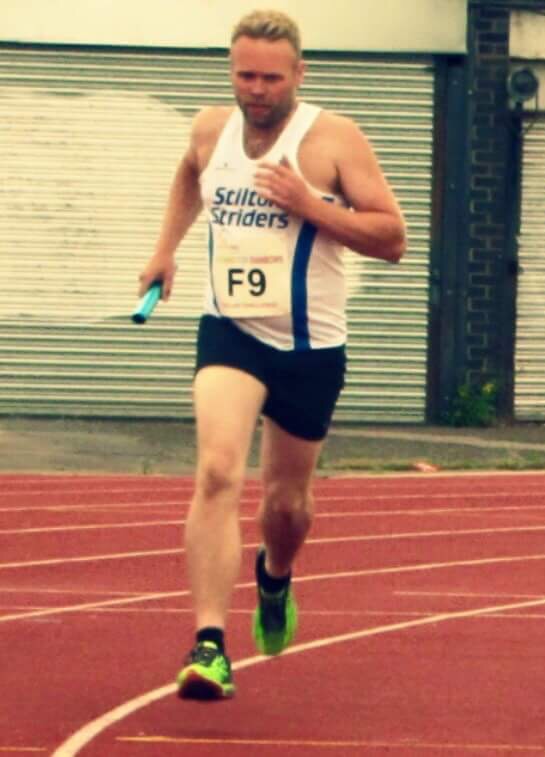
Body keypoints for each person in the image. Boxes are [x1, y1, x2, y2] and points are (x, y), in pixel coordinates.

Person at [137, 9, 406, 700]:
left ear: (299, 75)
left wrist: (309, 205)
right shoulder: (210, 129)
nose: (256, 90)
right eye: (244, 75)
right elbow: (189, 174)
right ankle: (208, 643)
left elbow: (391, 238)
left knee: (286, 506)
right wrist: (165, 250)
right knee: (217, 470)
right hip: (231, 330)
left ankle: (276, 576)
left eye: (270, 79)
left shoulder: (333, 139)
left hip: (310, 347)